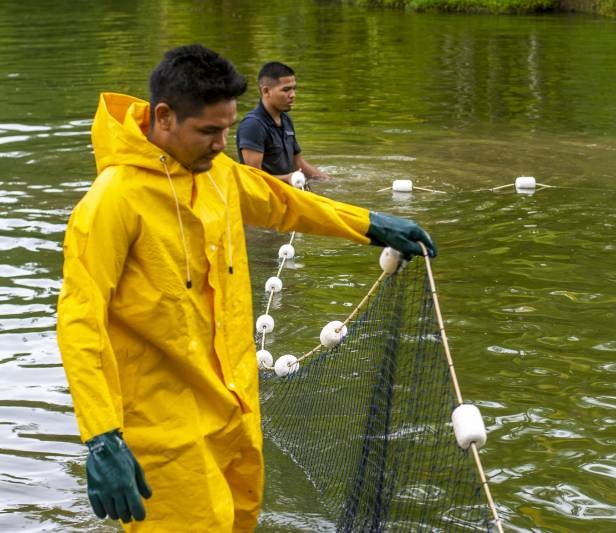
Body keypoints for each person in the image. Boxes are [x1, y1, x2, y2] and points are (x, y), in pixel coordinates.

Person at [56, 44, 435, 531]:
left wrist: (368, 224)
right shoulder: (111, 202)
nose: (221, 145)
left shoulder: (215, 174)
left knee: (240, 520)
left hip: (235, 405)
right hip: (163, 426)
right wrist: (102, 436)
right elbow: (79, 321)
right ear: (165, 117)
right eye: (208, 132)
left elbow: (283, 203)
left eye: (228, 130)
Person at [236, 61, 330, 183]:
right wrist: (288, 178)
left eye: (294, 89)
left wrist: (327, 180)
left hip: (288, 190)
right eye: (286, 90)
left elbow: (298, 163)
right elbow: (253, 177)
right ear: (266, 91)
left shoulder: (286, 119)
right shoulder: (253, 125)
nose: (293, 95)